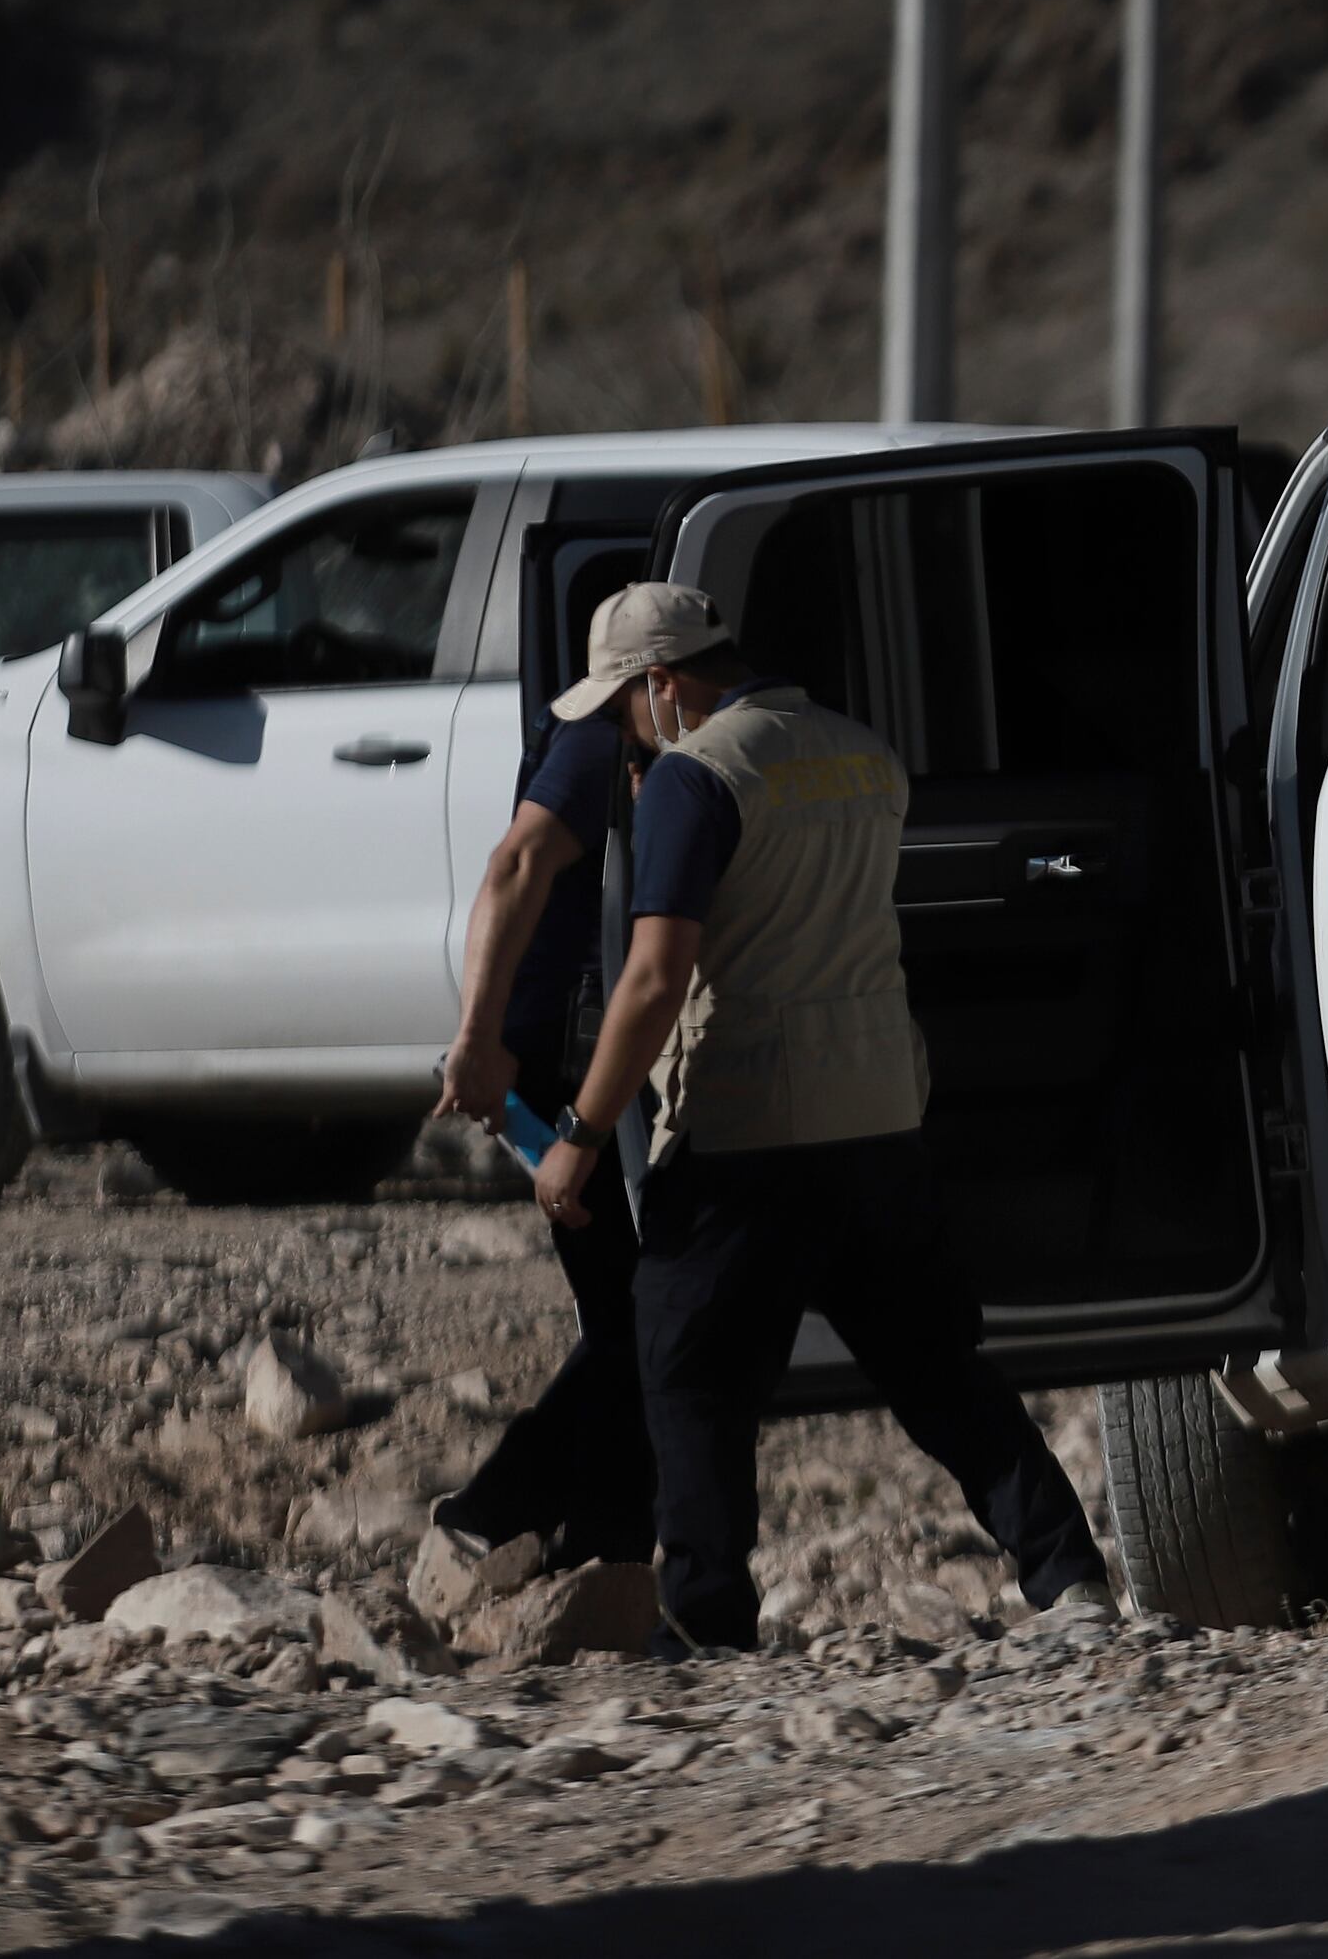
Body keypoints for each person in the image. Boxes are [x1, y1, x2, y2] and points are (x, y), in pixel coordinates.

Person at [526, 582, 1106, 1652]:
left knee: (688, 1369)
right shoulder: (862, 753)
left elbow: (655, 979)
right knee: (942, 1375)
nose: (622, 732)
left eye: (622, 709)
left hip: (751, 1125)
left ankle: (705, 1624)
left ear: (663, 684)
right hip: (880, 1114)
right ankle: (1070, 1579)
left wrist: (580, 1132)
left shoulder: (694, 780)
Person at [425, 644, 657, 1571]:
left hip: (563, 1049)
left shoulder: (618, 736)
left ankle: (601, 1552)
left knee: (629, 1317)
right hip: (563, 1055)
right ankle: (501, 1507)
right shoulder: (600, 741)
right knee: (643, 1319)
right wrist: (477, 1040)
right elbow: (515, 864)